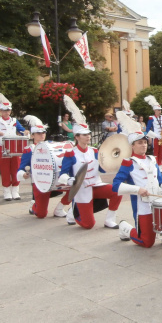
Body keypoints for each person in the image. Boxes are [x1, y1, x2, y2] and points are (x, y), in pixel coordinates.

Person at [112, 112, 162, 248]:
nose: (143, 145)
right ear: (132, 145)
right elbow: (116, 186)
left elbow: (161, 181)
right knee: (147, 242)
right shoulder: (128, 163)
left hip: (158, 202)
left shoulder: (152, 159)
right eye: (139, 143)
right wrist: (138, 190)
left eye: (144, 142)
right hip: (143, 206)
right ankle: (126, 228)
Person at [59, 97, 122, 229]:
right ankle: (75, 211)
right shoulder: (71, 153)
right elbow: (62, 175)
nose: (88, 136)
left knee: (117, 191)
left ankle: (109, 220)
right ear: (76, 137)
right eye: (84, 135)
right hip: (81, 189)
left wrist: (112, 161)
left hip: (96, 185)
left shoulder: (94, 151)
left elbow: (102, 169)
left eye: (88, 134)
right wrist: (70, 180)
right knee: (89, 225)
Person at [18, 116, 69, 218]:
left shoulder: (51, 146)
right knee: (41, 215)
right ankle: (34, 204)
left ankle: (59, 208)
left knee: (77, 186)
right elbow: (21, 168)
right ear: (32, 136)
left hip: (55, 179)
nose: (42, 135)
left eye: (43, 133)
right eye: (39, 133)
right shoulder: (29, 150)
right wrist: (23, 174)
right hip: (40, 182)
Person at [0, 91, 28, 200]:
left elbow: (22, 130)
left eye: (8, 110)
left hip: (14, 147)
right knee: (5, 170)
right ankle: (6, 192)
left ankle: (15, 190)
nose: (7, 112)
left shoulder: (14, 120)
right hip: (2, 147)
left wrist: (26, 132)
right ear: (0, 111)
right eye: (4, 110)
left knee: (16, 168)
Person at [146, 96, 162, 172]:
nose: (160, 111)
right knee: (156, 153)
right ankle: (156, 166)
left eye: (160, 110)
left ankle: (160, 166)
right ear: (155, 111)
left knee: (161, 152)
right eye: (158, 110)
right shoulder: (151, 118)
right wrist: (156, 135)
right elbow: (147, 130)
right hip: (155, 137)